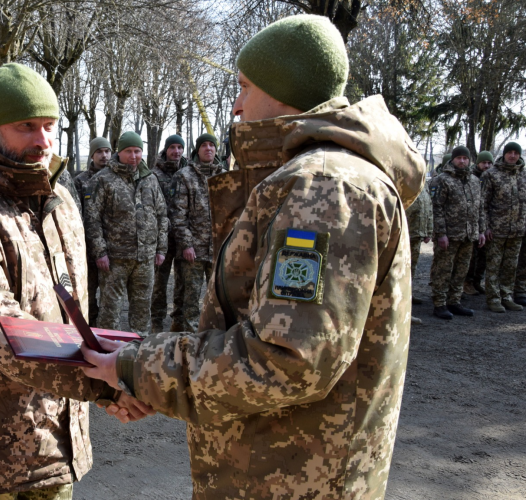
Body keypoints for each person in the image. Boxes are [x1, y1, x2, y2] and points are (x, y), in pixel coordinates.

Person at [80, 15, 426, 499]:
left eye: (245, 87)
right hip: (278, 463)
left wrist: (142, 367)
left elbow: (284, 360)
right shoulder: (314, 176)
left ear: (283, 89)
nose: (238, 106)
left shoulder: (323, 186)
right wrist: (149, 378)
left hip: (289, 476)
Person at [0, 63, 150, 500]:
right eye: (26, 127)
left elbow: (70, 310)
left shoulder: (57, 196)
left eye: (49, 126)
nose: (43, 140)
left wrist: (108, 368)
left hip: (56, 440)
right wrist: (102, 381)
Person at [85, 131, 168, 336]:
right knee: (110, 310)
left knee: (141, 310)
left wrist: (161, 249)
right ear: (119, 153)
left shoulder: (150, 179)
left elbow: (162, 215)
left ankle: (138, 352)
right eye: (128, 151)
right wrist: (100, 252)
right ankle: (109, 351)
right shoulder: (102, 180)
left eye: (137, 151)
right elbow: (92, 219)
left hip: (145, 258)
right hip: (115, 259)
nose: (133, 156)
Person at [170, 133, 227, 332]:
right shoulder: (184, 176)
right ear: (198, 150)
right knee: (189, 299)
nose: (208, 148)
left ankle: (213, 337)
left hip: (218, 249)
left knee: (218, 297)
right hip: (193, 251)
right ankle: (187, 340)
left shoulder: (225, 176)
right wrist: (186, 244)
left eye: (212, 145)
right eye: (204, 145)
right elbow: (178, 214)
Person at [431, 146, 484, 319]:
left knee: (462, 270)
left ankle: (454, 301)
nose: (462, 161)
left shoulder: (475, 181)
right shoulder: (442, 180)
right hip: (449, 235)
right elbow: (436, 208)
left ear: (470, 160)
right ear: (452, 160)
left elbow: (480, 208)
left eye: (465, 158)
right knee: (444, 269)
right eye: (459, 158)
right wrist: (441, 234)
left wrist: (481, 231)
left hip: (468, 235)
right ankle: (439, 304)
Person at [73, 137, 111, 325]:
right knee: (87, 291)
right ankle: (90, 327)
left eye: (107, 151)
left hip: (111, 246)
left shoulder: (116, 179)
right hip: (86, 247)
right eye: (99, 152)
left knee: (109, 296)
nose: (104, 156)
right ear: (92, 155)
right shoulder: (81, 181)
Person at [150, 135, 186, 332]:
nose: (177, 151)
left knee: (182, 282)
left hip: (182, 238)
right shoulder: (155, 175)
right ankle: (157, 322)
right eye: (173, 147)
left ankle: (177, 321)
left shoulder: (189, 173)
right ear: (166, 150)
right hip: (161, 239)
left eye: (180, 147)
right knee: (159, 284)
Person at [485, 142, 526, 309]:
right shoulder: (491, 174)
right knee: (494, 265)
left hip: (517, 230)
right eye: (510, 152)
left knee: (511, 265)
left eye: (516, 153)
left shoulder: (523, 174)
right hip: (496, 230)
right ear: (504, 154)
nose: (513, 156)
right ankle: (494, 299)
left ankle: (506, 296)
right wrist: (486, 226)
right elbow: (483, 203)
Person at [464, 150, 495, 295]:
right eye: (484, 163)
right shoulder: (471, 177)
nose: (487, 166)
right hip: (471, 222)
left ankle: (476, 281)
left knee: (482, 256)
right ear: (478, 163)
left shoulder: (492, 177)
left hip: (485, 221)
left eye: (489, 163)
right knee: (472, 256)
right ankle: (467, 282)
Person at [406, 184, 433, 323]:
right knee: (401, 271)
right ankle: (403, 310)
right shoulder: (402, 182)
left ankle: (408, 298)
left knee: (411, 269)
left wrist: (428, 230)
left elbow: (428, 208)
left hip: (416, 234)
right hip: (404, 234)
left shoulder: (422, 184)